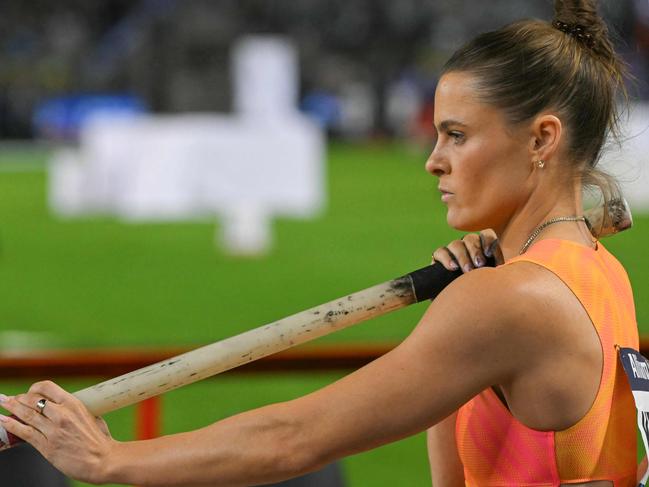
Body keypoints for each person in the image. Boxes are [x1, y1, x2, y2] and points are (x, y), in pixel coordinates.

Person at [0, 1, 642, 485]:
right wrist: (464, 313)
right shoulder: (595, 268)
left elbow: (294, 437)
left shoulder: (515, 297)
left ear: (541, 139)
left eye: (455, 135)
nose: (433, 160)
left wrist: (111, 459)